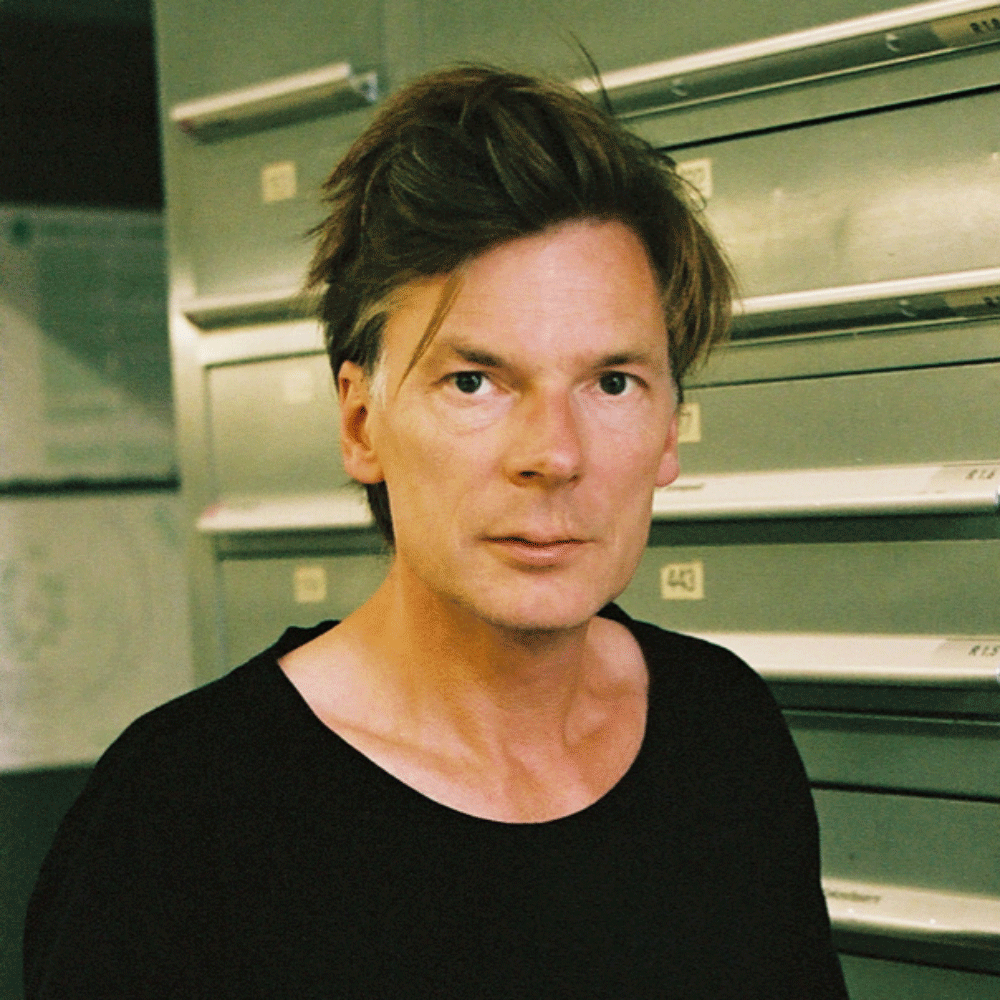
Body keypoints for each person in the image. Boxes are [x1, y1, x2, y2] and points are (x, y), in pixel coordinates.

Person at [24, 66, 848, 998]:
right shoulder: (184, 810)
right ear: (360, 423)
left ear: (669, 431)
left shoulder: (723, 729)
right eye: (475, 382)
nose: (554, 455)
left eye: (612, 382)